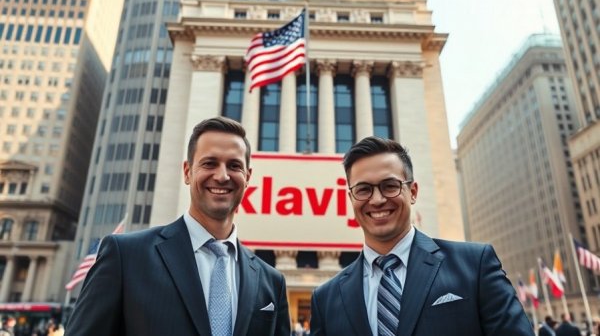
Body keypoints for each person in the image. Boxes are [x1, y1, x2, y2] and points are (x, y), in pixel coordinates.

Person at [66, 117, 291, 335]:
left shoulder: (272, 281)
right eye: (209, 163)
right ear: (187, 172)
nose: (222, 176)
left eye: (234, 165)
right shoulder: (126, 256)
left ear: (248, 177)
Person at [310, 136, 534, 336]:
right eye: (363, 189)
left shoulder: (475, 266)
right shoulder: (326, 298)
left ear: (413, 192)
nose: (377, 199)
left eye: (390, 186)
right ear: (351, 198)